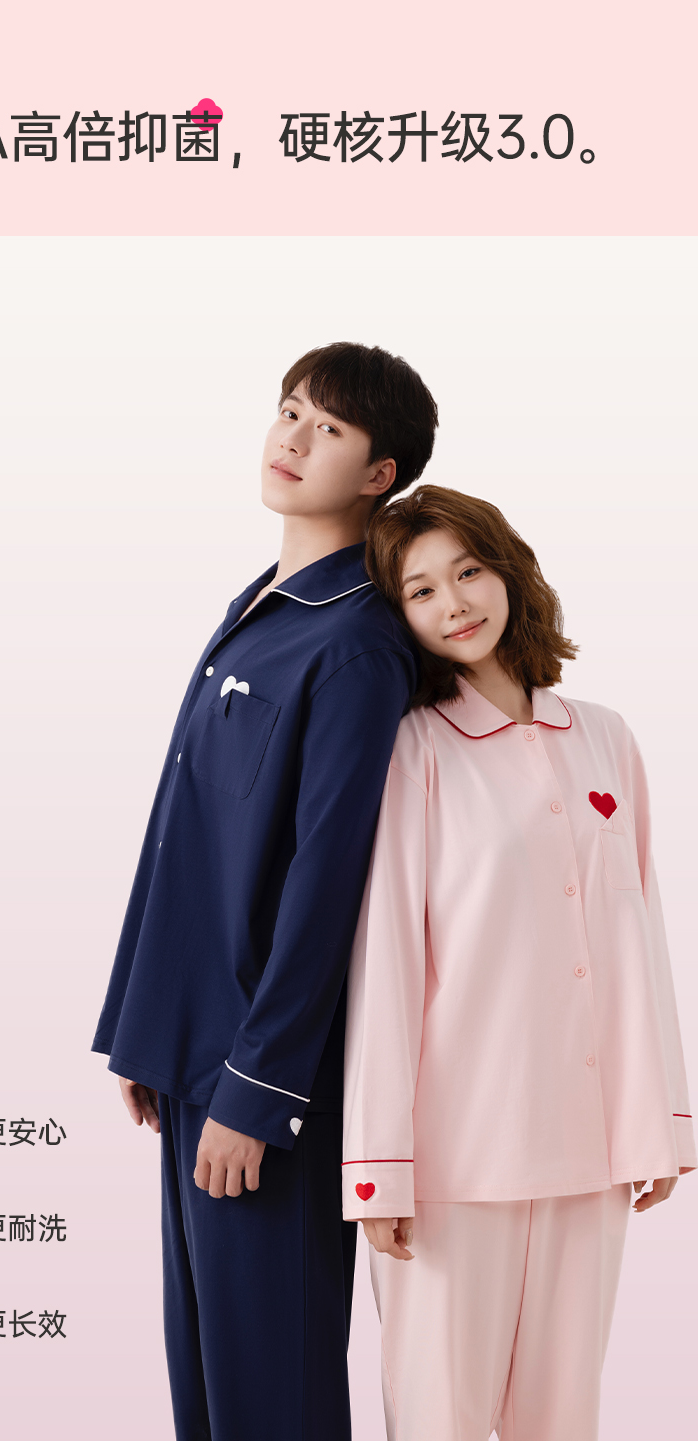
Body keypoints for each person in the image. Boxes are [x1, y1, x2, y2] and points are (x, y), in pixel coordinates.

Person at [91, 343, 438, 1441]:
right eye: (289, 410)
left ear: (379, 472)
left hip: (263, 1075)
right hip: (191, 1049)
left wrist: (257, 1088)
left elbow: (329, 880)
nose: (291, 438)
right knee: (205, 1387)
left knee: (269, 1390)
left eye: (327, 428)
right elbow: (189, 835)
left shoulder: (357, 643)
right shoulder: (263, 608)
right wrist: (148, 1028)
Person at [342, 484, 696, 1441]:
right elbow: (386, 959)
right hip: (456, 1157)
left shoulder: (606, 736)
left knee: (564, 1419)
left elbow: (640, 933)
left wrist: (662, 1118)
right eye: (421, 589)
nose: (454, 602)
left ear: (509, 571)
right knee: (439, 1418)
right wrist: (376, 1168)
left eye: (468, 571)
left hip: (594, 1150)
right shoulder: (413, 747)